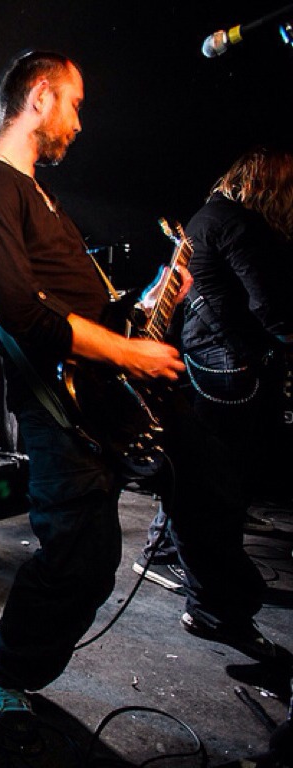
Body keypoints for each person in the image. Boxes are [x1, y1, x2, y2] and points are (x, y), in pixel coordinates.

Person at [0, 50, 287, 728]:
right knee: (84, 559)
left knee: (213, 484)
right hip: (59, 405)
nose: (79, 123)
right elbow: (20, 311)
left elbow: (93, 309)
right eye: (74, 103)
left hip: (109, 390)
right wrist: (128, 350)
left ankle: (220, 608)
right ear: (40, 96)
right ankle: (5, 666)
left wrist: (154, 301)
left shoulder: (44, 197)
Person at [134, 147, 293, 589]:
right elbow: (268, 303)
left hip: (209, 354)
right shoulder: (235, 222)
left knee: (200, 463)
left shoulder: (209, 216)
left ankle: (172, 548)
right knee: (213, 468)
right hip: (227, 360)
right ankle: (173, 555)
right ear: (266, 184)